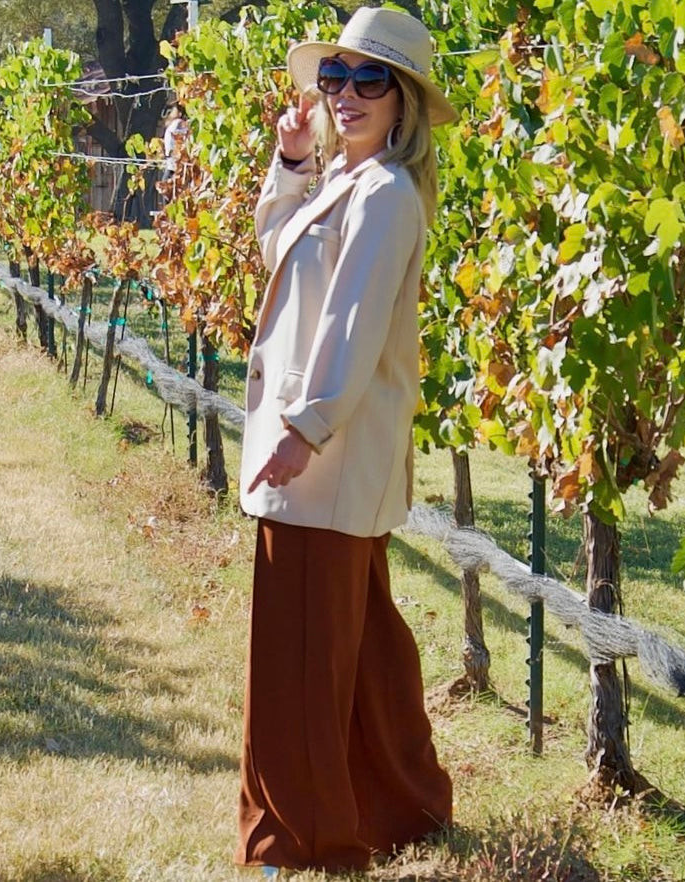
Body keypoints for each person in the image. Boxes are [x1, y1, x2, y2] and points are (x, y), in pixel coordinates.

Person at [234, 6, 458, 875]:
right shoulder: (344, 180)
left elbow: (354, 325)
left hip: (321, 457)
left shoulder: (385, 194)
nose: (348, 94)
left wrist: (303, 429)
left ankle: (302, 839)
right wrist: (291, 163)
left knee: (296, 656)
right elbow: (274, 253)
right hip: (329, 457)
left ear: (403, 102)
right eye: (337, 78)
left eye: (371, 81)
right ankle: (405, 807)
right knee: (365, 653)